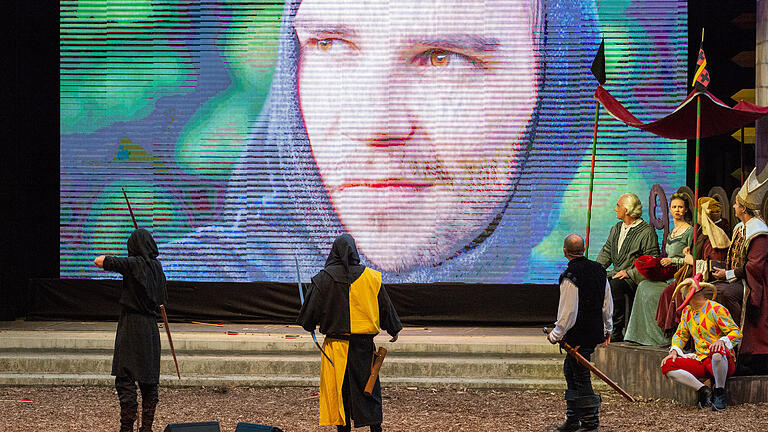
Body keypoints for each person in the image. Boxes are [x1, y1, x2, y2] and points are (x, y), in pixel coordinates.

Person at [158, 0, 606, 284]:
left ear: (557, 91)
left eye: (442, 57)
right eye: (331, 44)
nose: (373, 124)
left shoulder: (578, 300)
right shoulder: (170, 290)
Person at [297, 234, 402, 431]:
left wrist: (308, 323)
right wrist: (393, 329)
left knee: (340, 392)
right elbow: (385, 307)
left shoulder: (323, 279)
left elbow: (308, 317)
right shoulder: (371, 277)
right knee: (368, 390)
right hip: (363, 347)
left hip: (337, 347)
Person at [94, 229, 168, 432]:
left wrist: (127, 260)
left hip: (132, 326)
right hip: (150, 329)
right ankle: (146, 429)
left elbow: (98, 261)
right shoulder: (157, 268)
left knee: (125, 377)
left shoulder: (133, 264)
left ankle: (126, 429)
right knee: (149, 379)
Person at [547, 234, 612, 432]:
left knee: (581, 376)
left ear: (565, 251)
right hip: (592, 332)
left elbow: (568, 311)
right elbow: (607, 303)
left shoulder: (570, 275)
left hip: (578, 334)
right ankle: (573, 419)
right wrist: (608, 328)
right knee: (571, 371)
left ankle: (590, 422)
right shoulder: (599, 270)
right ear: (583, 250)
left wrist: (556, 334)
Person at [712, 166, 768, 375]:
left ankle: (740, 344)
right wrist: (725, 273)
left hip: (755, 284)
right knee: (713, 289)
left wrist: (730, 275)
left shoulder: (758, 231)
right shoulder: (740, 228)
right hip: (740, 279)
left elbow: (755, 265)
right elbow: (734, 259)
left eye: (736, 203)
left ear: (743, 208)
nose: (734, 206)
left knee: (725, 293)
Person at [660, 278, 741, 411]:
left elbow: (736, 333)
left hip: (723, 361)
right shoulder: (687, 312)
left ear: (689, 296)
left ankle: (719, 393)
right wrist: (674, 351)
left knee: (717, 354)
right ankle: (703, 390)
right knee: (668, 365)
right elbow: (681, 334)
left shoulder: (716, 309)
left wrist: (722, 341)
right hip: (702, 360)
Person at [625, 192, 692, 345]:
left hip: (679, 276)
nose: (677, 210)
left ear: (686, 210)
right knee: (643, 285)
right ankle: (640, 335)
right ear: (669, 209)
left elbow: (690, 259)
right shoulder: (672, 232)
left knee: (657, 292)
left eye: (680, 207)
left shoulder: (689, 232)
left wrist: (672, 260)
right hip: (666, 274)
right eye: (674, 207)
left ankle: (663, 337)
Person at [656, 197, 730, 337]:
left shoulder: (717, 235)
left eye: (699, 213)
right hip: (691, 273)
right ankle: (674, 332)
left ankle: (685, 332)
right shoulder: (702, 231)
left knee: (679, 291)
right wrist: (689, 253)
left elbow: (714, 265)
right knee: (668, 292)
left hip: (706, 278)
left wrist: (692, 261)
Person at [596, 193, 660, 341]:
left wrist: (630, 273)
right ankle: (599, 326)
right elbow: (607, 251)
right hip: (616, 272)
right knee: (597, 282)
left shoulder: (646, 232)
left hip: (633, 277)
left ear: (626, 210)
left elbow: (651, 260)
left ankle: (616, 330)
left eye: (618, 206)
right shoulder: (617, 228)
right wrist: (596, 269)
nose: (615, 209)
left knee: (615, 286)